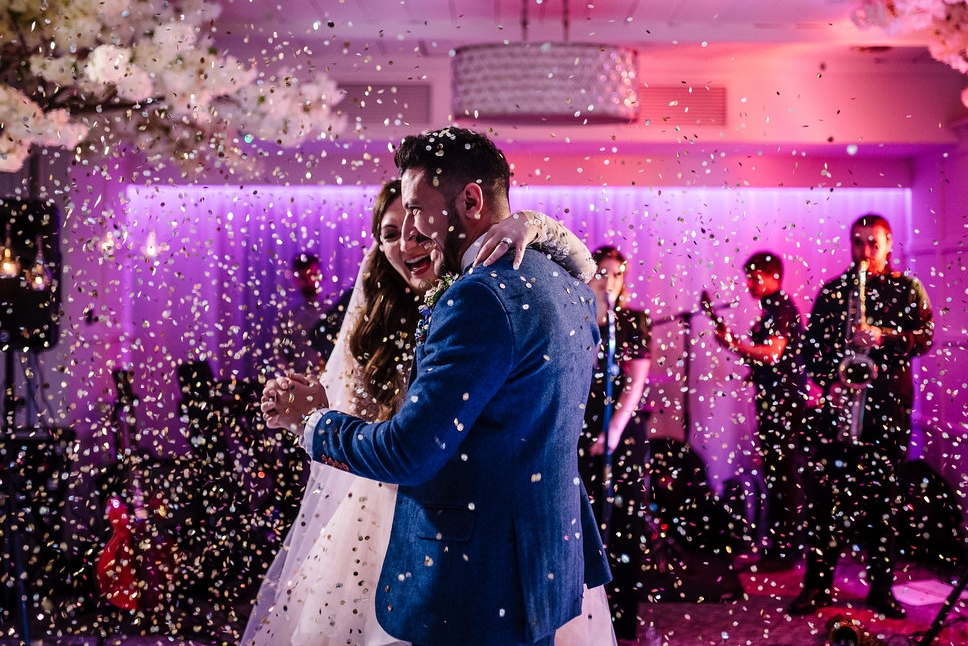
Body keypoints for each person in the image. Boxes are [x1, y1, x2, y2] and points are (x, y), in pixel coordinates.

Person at [246, 174, 615, 645]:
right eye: (391, 234)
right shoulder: (373, 320)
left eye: (419, 230)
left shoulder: (479, 292)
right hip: (387, 502)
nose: (407, 245)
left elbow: (415, 441)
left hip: (467, 518)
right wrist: (313, 409)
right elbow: (358, 418)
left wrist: (533, 224)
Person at [787, 213, 934, 619]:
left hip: (887, 410)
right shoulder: (835, 291)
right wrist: (830, 380)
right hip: (838, 411)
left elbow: (925, 337)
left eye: (874, 243)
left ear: (889, 244)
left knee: (883, 504)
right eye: (858, 243)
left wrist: (884, 335)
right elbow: (810, 349)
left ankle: (881, 590)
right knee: (825, 504)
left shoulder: (908, 289)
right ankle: (817, 586)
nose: (866, 251)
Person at [704, 251, 807, 570]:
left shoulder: (781, 307)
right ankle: (780, 548)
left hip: (784, 404)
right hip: (774, 401)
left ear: (773, 276)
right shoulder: (771, 309)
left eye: (755, 276)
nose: (749, 282)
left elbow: (773, 354)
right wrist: (734, 345)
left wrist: (734, 347)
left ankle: (786, 552)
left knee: (783, 475)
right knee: (776, 474)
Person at [577, 245, 652, 644]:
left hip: (621, 435)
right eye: (602, 273)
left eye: (617, 275)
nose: (610, 282)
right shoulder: (578, 316)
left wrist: (611, 434)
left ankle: (622, 622)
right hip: (580, 429)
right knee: (583, 521)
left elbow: (635, 384)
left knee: (624, 526)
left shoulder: (633, 321)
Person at [273, 253, 328, 374]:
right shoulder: (287, 314)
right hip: (298, 381)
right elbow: (280, 355)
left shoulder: (331, 311)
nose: (308, 281)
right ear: (295, 278)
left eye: (313, 275)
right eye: (303, 277)